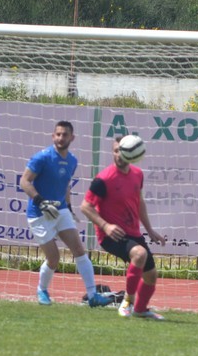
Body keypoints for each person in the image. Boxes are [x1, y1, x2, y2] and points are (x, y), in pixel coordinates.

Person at [20, 120, 113, 307]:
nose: (61, 138)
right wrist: (41, 201)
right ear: (53, 136)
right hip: (39, 213)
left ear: (72, 138)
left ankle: (93, 295)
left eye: (65, 135)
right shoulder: (42, 158)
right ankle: (42, 290)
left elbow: (66, 185)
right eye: (58, 134)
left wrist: (68, 208)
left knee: (79, 250)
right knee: (54, 258)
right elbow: (24, 181)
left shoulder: (72, 160)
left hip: (60, 210)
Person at [81, 134, 166, 320]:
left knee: (151, 276)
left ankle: (140, 310)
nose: (119, 154)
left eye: (123, 150)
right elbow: (85, 206)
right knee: (139, 254)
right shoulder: (103, 179)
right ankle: (127, 302)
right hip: (111, 235)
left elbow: (139, 202)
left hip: (133, 233)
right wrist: (105, 226)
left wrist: (150, 230)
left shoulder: (138, 174)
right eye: (116, 151)